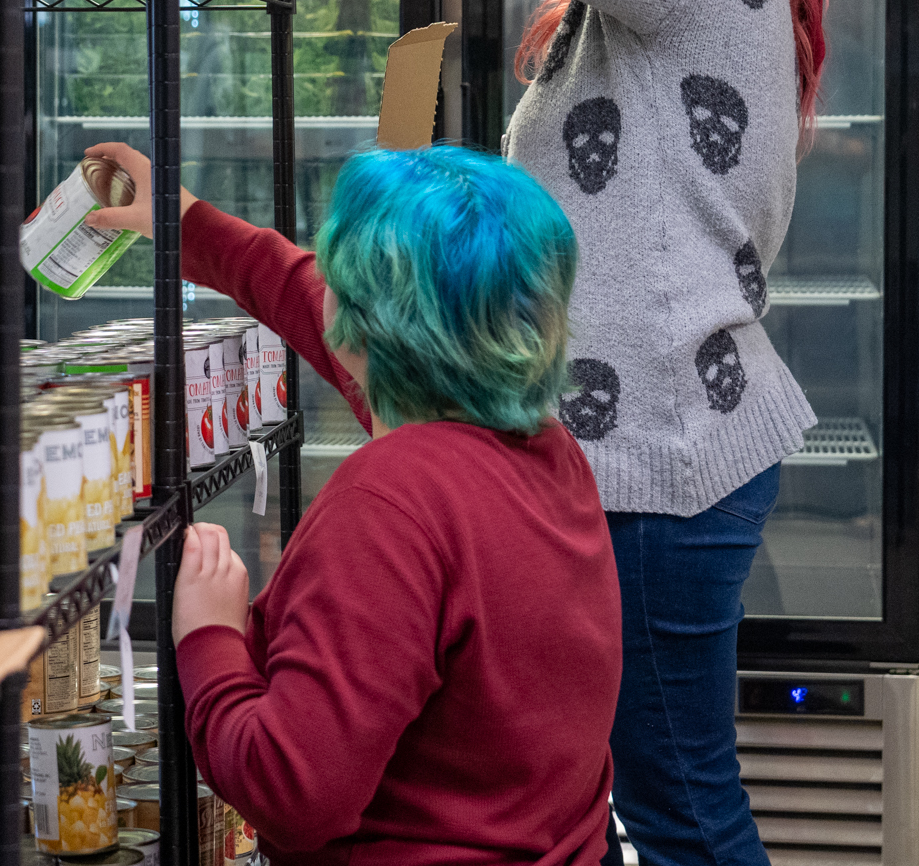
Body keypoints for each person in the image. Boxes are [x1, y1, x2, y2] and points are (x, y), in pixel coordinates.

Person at [181, 0, 829, 866]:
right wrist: (189, 231)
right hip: (642, 443)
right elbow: (435, 315)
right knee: (649, 798)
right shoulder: (641, 0)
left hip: (656, 461)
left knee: (680, 811)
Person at [84, 139, 620, 866]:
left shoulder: (388, 505)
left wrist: (209, 638)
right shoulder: (545, 447)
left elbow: (292, 792)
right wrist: (189, 226)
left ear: (369, 329)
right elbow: (307, 298)